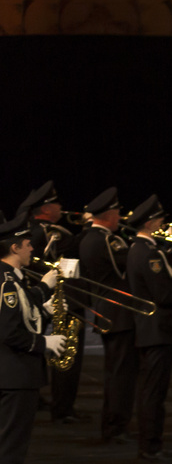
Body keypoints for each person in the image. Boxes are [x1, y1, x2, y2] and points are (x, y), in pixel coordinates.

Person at [1, 213, 68, 464]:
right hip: (14, 375)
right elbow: (11, 331)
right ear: (15, 246)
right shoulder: (6, 283)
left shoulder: (11, 278)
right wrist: (44, 343)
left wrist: (43, 294)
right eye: (28, 244)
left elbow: (23, 311)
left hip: (14, 374)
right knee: (10, 446)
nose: (32, 249)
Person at [122, 196, 172, 463]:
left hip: (149, 329)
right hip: (157, 329)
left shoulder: (138, 249)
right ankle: (150, 445)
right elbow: (163, 294)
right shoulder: (149, 252)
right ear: (150, 222)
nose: (161, 223)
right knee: (153, 391)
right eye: (158, 219)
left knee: (151, 389)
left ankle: (150, 444)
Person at [20, 182, 83, 424]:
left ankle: (49, 402)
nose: (61, 207)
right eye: (56, 203)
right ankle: (62, 407)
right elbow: (38, 264)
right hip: (57, 299)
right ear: (45, 208)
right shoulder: (44, 232)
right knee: (65, 355)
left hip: (50, 298)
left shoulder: (42, 229)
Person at [76, 188, 135, 445]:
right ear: (110, 214)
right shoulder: (107, 239)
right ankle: (115, 426)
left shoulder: (88, 237)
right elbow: (128, 266)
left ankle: (113, 424)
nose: (120, 217)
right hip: (119, 312)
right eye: (118, 212)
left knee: (115, 372)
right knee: (120, 374)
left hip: (106, 309)